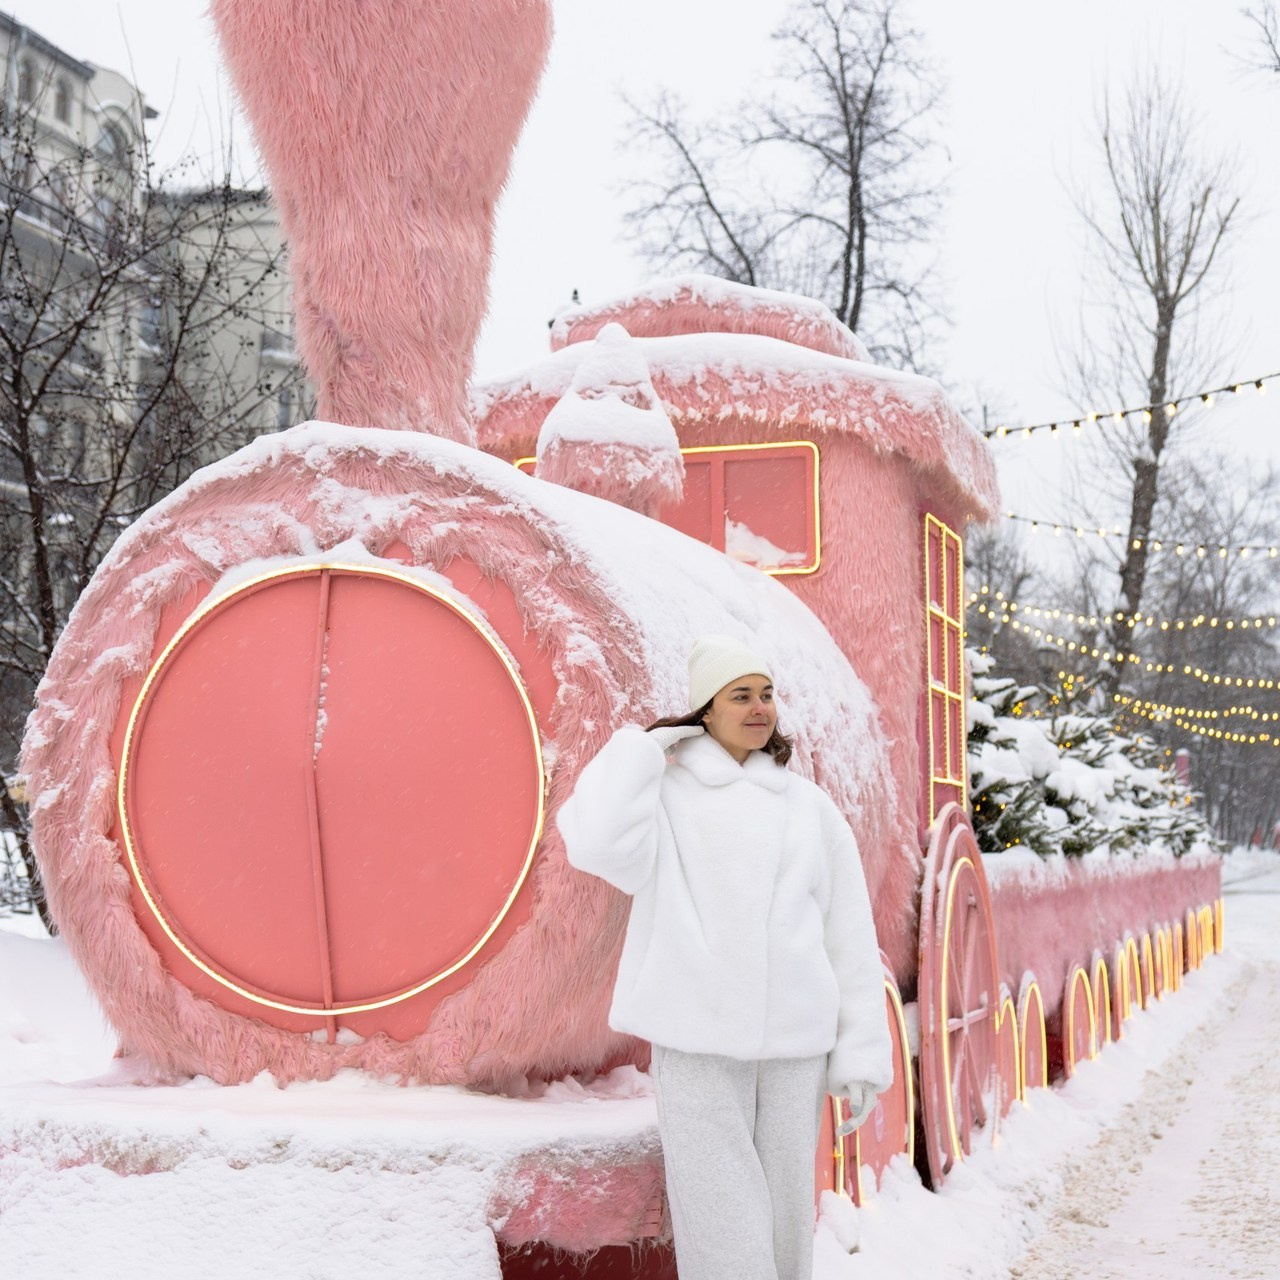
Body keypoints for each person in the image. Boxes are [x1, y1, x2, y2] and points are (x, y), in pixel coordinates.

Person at [558, 634, 892, 1280]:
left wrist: (857, 1057)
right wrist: (644, 750)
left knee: (786, 1219)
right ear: (705, 710)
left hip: (796, 1049)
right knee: (722, 1218)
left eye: (766, 694)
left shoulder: (810, 810)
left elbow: (847, 934)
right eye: (740, 695)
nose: (760, 707)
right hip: (698, 1039)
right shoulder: (666, 797)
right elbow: (594, 844)